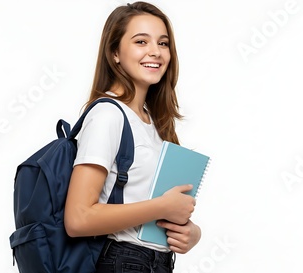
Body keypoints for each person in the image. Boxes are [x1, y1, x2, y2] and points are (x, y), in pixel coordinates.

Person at [64, 2, 201, 272]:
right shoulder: (108, 115)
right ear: (115, 52)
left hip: (155, 263)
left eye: (163, 43)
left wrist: (191, 233)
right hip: (123, 262)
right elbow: (78, 218)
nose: (155, 52)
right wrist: (162, 206)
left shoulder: (154, 122)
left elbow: (144, 205)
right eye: (141, 41)